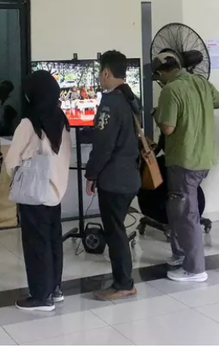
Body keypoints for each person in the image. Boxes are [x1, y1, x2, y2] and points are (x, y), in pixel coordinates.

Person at [153, 52, 219, 282]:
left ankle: (195, 269)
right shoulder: (202, 82)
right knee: (178, 208)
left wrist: (156, 114)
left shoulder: (171, 90)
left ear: (164, 72)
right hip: (204, 157)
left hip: (184, 160)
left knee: (185, 214)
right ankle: (180, 253)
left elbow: (168, 129)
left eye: (159, 76)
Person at [4, 70, 71, 311]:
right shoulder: (61, 120)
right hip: (55, 192)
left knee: (35, 245)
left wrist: (18, 178)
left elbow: (11, 162)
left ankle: (41, 296)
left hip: (34, 194)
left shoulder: (28, 123)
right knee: (53, 241)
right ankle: (54, 289)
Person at [83, 51, 142, 299]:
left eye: (99, 73)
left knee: (115, 231)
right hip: (130, 176)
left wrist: (91, 174)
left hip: (115, 179)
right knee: (117, 229)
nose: (99, 78)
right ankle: (124, 280)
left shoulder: (110, 104)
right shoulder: (131, 100)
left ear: (106, 72)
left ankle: (123, 284)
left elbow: (103, 146)